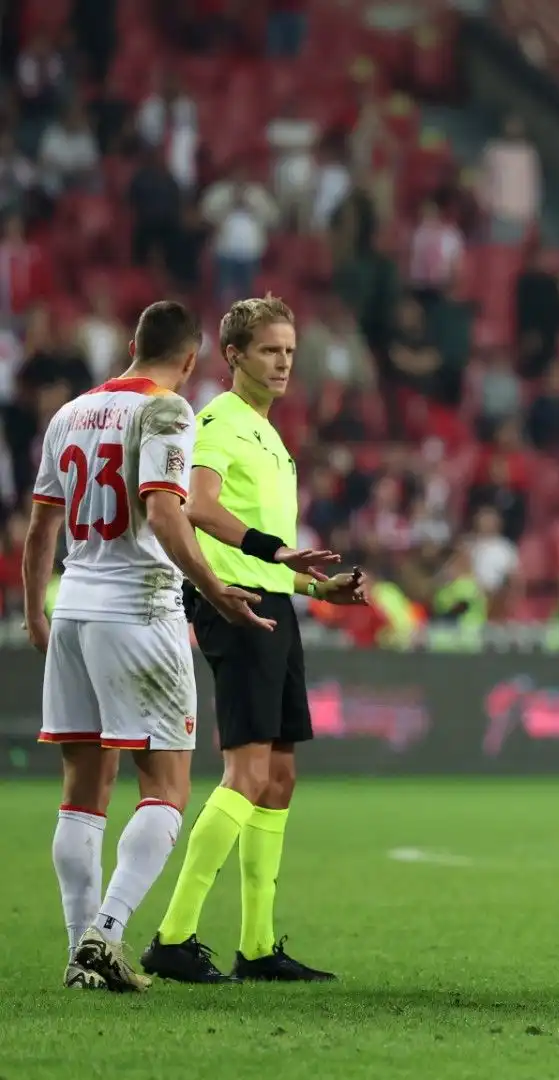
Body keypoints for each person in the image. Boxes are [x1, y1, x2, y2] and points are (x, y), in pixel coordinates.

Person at [27, 301, 272, 991]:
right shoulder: (168, 412)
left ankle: (82, 955)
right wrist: (217, 588)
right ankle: (106, 932)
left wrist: (34, 616)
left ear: (132, 343)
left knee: (82, 793)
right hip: (139, 607)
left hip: (73, 606)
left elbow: (39, 528)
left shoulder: (69, 414)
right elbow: (165, 511)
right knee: (166, 785)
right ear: (192, 361)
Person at [141, 296, 368, 985]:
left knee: (279, 778)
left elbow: (264, 559)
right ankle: (173, 937)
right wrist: (278, 553)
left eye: (290, 352)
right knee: (246, 773)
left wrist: (310, 589)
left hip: (271, 604)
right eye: (270, 350)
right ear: (232, 354)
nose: (283, 363)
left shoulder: (269, 435)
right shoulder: (217, 424)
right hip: (233, 609)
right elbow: (197, 505)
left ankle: (258, 945)